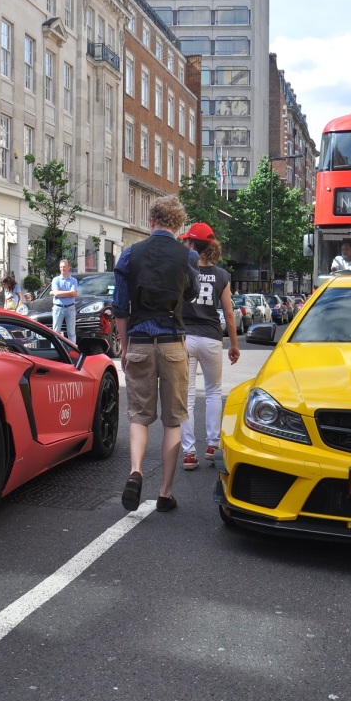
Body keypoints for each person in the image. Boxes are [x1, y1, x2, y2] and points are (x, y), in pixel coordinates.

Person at [113, 195, 198, 513]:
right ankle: (165, 492)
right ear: (178, 224)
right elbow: (190, 292)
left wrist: (124, 346)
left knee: (139, 415)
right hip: (173, 342)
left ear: (151, 222)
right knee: (173, 419)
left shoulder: (130, 255)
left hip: (140, 341)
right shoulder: (187, 256)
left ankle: (135, 471)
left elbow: (120, 307)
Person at [177, 222, 239, 470]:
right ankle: (212, 445)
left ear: (192, 245)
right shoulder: (222, 275)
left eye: (186, 241)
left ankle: (189, 453)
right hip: (212, 337)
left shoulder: (182, 271)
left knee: (188, 395)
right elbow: (229, 313)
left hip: (186, 337)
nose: (184, 244)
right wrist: (234, 344)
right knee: (213, 391)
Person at [50, 259, 78, 341]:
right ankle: (56, 352)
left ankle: (72, 352)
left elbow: (73, 294)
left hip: (70, 308)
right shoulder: (56, 280)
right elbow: (57, 294)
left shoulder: (73, 280)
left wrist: (57, 293)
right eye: (61, 267)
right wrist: (68, 293)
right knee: (55, 332)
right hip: (58, 308)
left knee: (71, 333)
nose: (63, 268)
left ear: (69, 267)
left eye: (64, 267)